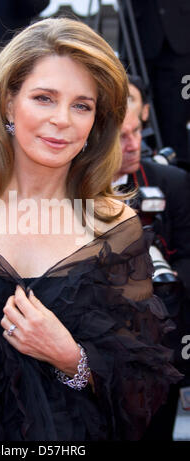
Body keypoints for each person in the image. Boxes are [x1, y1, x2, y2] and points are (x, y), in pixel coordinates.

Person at [0, 18, 182, 441]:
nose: (62, 119)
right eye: (44, 98)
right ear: (8, 103)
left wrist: (71, 357)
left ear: (97, 122)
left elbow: (142, 392)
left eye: (82, 105)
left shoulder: (115, 228)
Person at [114, 106, 190, 439]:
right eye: (121, 137)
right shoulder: (65, 188)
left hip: (162, 338)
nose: (134, 145)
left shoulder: (171, 182)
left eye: (137, 132)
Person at [122, 0, 190, 161]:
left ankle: (179, 176)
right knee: (138, 114)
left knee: (177, 117)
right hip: (140, 33)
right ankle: (145, 170)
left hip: (181, 36)